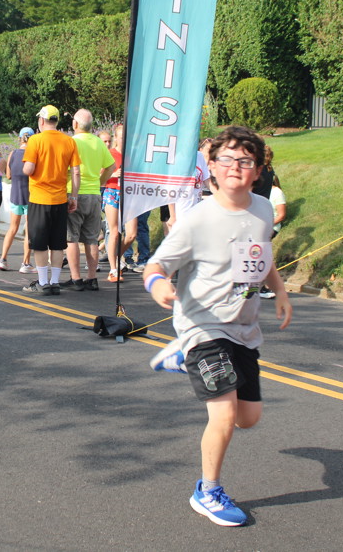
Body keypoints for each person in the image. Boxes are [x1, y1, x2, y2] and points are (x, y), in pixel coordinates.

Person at [145, 125, 292, 528]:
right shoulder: (198, 219)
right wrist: (159, 285)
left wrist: (279, 290)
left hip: (243, 327)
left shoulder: (262, 209)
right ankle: (207, 491)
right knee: (224, 415)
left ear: (258, 170)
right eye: (226, 158)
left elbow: (262, 253)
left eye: (245, 160)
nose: (235, 167)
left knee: (248, 418)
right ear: (211, 166)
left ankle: (180, 357)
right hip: (203, 326)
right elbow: (155, 265)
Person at [21, 105, 80, 296]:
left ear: (41, 121)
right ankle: (55, 282)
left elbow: (29, 169)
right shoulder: (69, 141)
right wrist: (74, 196)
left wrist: (25, 167)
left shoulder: (36, 140)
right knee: (57, 243)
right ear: (56, 121)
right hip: (60, 199)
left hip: (40, 198)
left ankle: (43, 282)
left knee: (39, 243)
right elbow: (76, 172)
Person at [61, 109, 115, 291]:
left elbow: (64, 168)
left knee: (71, 238)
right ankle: (91, 278)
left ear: (75, 124)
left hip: (74, 192)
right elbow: (111, 166)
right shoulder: (98, 142)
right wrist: (100, 182)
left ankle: (76, 278)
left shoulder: (72, 142)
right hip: (94, 194)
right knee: (91, 238)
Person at [102, 124, 136, 282]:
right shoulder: (109, 154)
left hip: (129, 194)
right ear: (116, 138)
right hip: (112, 192)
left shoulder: (132, 154)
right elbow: (99, 176)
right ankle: (113, 270)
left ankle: (116, 257)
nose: (124, 140)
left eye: (126, 137)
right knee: (114, 232)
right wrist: (113, 174)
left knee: (131, 234)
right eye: (121, 137)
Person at [0, 128, 34, 273]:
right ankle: (26, 263)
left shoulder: (12, 153)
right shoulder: (33, 154)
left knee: (13, 228)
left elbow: (8, 175)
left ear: (19, 139)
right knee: (29, 230)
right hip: (30, 196)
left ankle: (3, 259)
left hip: (15, 195)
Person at [259, 176, 287, 299]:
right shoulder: (259, 192)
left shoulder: (277, 192)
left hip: (271, 226)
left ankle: (264, 286)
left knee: (260, 253)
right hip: (259, 226)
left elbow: (281, 215)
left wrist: (267, 224)